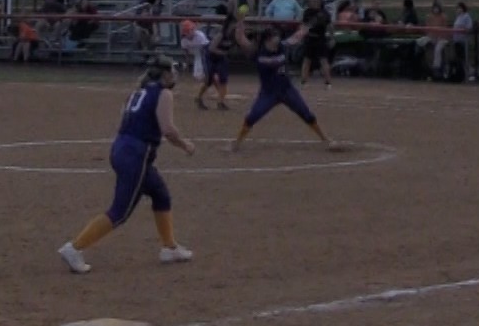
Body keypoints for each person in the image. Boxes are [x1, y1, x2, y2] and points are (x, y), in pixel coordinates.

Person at [57, 55, 196, 274]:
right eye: (173, 71)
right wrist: (186, 145)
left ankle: (169, 247)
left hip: (122, 148)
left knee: (160, 194)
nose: (176, 75)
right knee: (120, 211)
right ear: (165, 74)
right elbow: (168, 129)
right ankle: (75, 247)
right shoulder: (163, 93)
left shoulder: (137, 92)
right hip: (136, 155)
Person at [229, 19, 338, 152]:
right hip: (268, 93)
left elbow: (295, 38)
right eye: (275, 37)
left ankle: (325, 139)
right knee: (252, 117)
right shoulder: (257, 51)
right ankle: (237, 143)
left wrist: (305, 27)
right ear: (268, 39)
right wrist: (240, 19)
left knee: (307, 115)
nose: (278, 39)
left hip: (287, 90)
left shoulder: (282, 46)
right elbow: (240, 38)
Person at [196, 15, 234, 111]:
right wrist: (224, 53)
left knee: (223, 80)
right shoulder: (221, 35)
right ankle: (198, 98)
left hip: (221, 58)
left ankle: (220, 103)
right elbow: (211, 48)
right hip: (210, 57)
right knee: (209, 80)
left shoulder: (234, 35)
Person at [300, 0, 334, 89]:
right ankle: (304, 81)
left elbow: (330, 26)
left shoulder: (325, 13)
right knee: (307, 60)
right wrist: (301, 35)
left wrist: (331, 38)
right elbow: (303, 25)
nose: (313, 3)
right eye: (312, 1)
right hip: (309, 38)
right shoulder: (307, 12)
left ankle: (328, 82)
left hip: (320, 38)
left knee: (323, 60)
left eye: (315, 1)